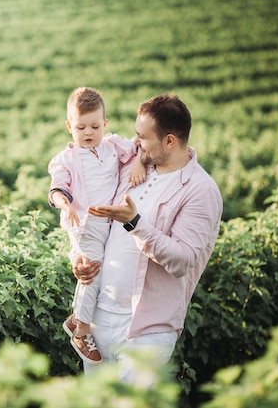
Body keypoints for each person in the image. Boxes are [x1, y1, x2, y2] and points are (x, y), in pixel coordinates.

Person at [70, 93, 223, 386]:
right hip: (101, 316)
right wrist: (77, 258)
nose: (135, 141)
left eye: (142, 136)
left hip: (147, 329)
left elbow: (182, 261)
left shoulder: (201, 190)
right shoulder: (133, 166)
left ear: (169, 141)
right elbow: (97, 223)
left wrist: (134, 223)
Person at [48, 87, 146, 365]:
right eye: (80, 127)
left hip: (106, 225)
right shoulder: (66, 159)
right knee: (93, 272)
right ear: (69, 127)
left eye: (94, 126)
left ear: (104, 124)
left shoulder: (113, 146)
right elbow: (58, 188)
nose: (88, 133)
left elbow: (139, 146)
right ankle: (81, 329)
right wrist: (65, 205)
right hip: (84, 223)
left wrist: (138, 160)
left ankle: (76, 319)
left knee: (96, 272)